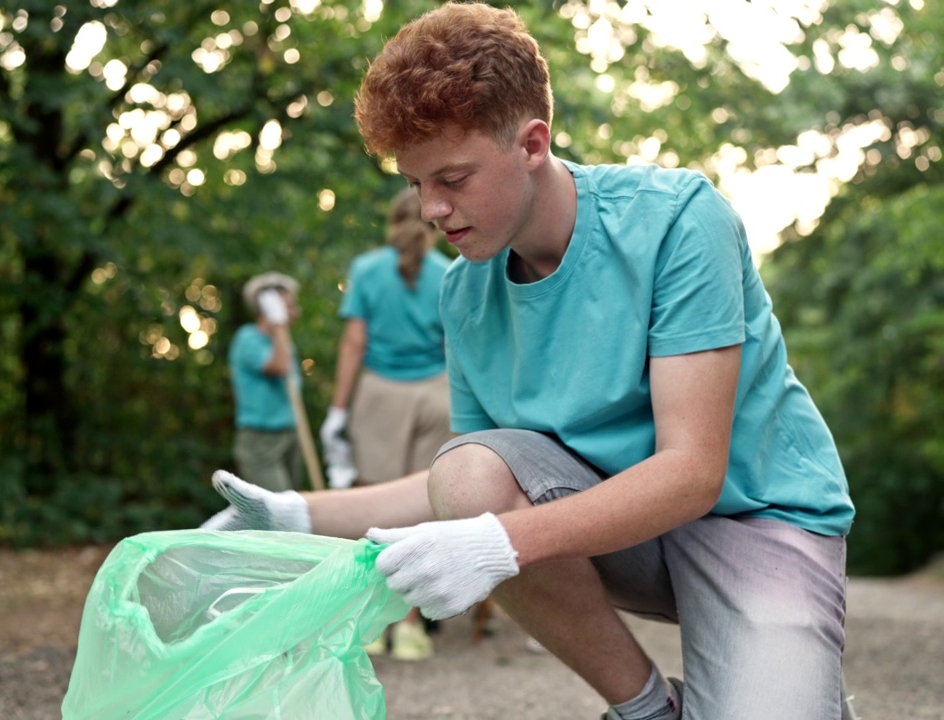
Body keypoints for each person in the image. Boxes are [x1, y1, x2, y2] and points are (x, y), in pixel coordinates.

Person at [204, 4, 856, 719]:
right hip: (614, 533)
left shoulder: (677, 222)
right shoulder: (466, 291)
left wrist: (492, 543)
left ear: (533, 143)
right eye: (417, 183)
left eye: (452, 178)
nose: (430, 209)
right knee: (470, 466)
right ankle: (646, 710)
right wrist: (293, 514)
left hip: (755, 521)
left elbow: (692, 473)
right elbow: (461, 486)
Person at [319, 187, 454, 661]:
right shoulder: (448, 273)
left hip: (378, 395)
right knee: (423, 509)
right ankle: (411, 629)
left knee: (373, 508)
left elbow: (354, 343)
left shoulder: (366, 270)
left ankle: (373, 625)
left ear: (391, 221)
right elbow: (458, 346)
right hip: (438, 395)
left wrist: (338, 410)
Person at [225, 272, 303, 493]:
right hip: (261, 438)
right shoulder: (248, 338)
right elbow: (279, 367)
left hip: (288, 432)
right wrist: (278, 325)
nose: (295, 312)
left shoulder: (284, 341)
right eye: (288, 306)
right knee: (278, 512)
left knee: (292, 502)